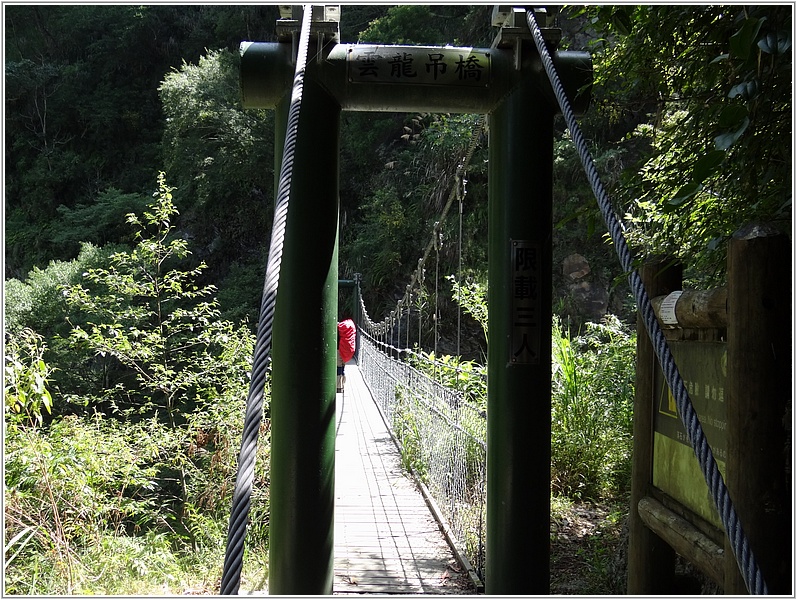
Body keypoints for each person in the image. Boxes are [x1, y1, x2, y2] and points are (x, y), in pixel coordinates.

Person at [337, 318, 356, 393]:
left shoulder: (342, 327)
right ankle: (342, 386)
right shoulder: (351, 326)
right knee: (342, 369)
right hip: (347, 351)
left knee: (338, 368)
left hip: (339, 350)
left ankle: (338, 387)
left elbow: (339, 326)